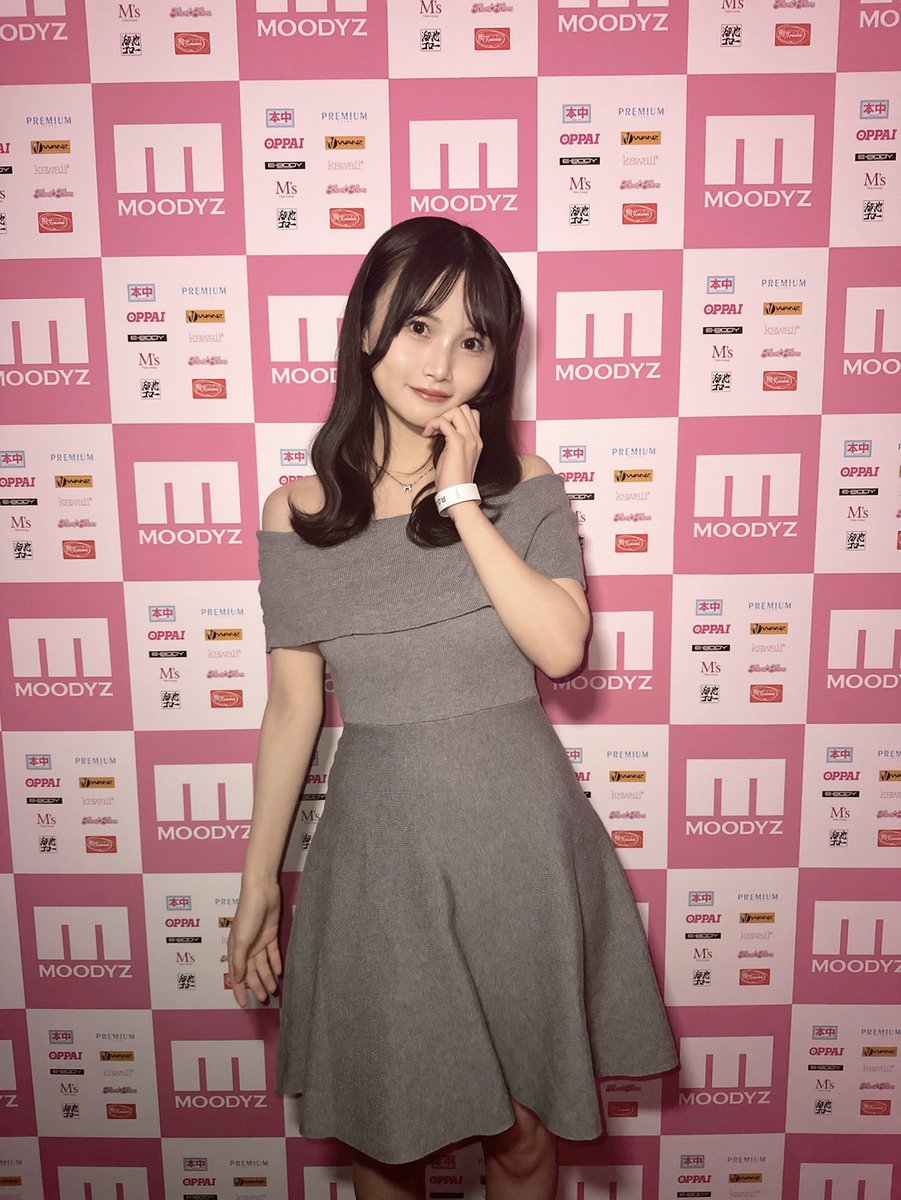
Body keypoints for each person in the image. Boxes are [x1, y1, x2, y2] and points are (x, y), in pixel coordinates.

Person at [227, 216, 677, 1200]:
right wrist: (258, 880)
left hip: (518, 842)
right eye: (419, 326)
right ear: (366, 327)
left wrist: (462, 497)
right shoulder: (296, 515)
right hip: (380, 853)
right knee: (385, 1138)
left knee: (522, 1135)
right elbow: (291, 708)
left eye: (472, 339)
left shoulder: (527, 490)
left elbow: (560, 648)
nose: (440, 363)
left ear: (495, 360)